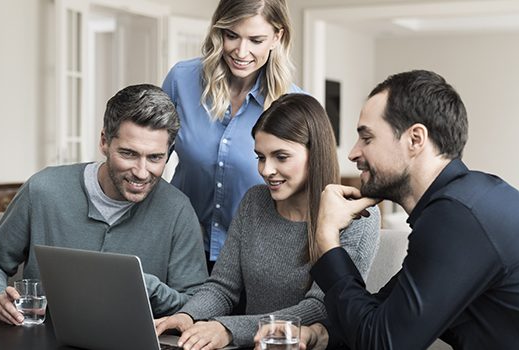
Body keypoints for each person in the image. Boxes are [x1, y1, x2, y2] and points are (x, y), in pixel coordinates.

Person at [297, 70, 519, 349]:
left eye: (367, 138)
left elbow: (381, 343)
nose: (352, 153)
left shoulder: (458, 216)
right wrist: (319, 333)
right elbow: (387, 312)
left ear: (415, 139)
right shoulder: (463, 203)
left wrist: (327, 240)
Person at [155, 94, 380, 350]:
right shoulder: (255, 201)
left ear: (314, 153)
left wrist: (229, 330)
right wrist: (187, 316)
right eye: (260, 157)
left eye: (281, 157)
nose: (266, 170)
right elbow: (222, 287)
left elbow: (321, 307)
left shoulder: (357, 216)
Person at [0, 84, 208, 325]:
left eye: (155, 157)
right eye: (128, 154)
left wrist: (146, 287)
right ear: (104, 142)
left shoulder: (178, 210)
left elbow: (196, 304)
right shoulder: (43, 189)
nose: (141, 172)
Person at [162, 0, 300, 269]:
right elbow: (151, 158)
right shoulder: (182, 79)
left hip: (253, 258)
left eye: (256, 40)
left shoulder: (294, 104)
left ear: (277, 37)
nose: (241, 51)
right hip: (180, 247)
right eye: (232, 35)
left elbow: (303, 195)